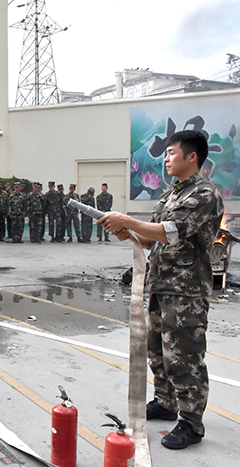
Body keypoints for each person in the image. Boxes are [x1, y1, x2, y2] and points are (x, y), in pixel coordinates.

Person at [99, 130, 223, 450]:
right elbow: (151, 238)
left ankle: (191, 423)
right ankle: (166, 403)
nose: (165, 158)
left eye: (171, 153)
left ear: (191, 157)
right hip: (160, 286)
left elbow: (171, 231)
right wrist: (128, 233)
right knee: (158, 352)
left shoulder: (204, 194)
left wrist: (128, 220)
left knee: (184, 356)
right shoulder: (170, 196)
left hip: (186, 292)